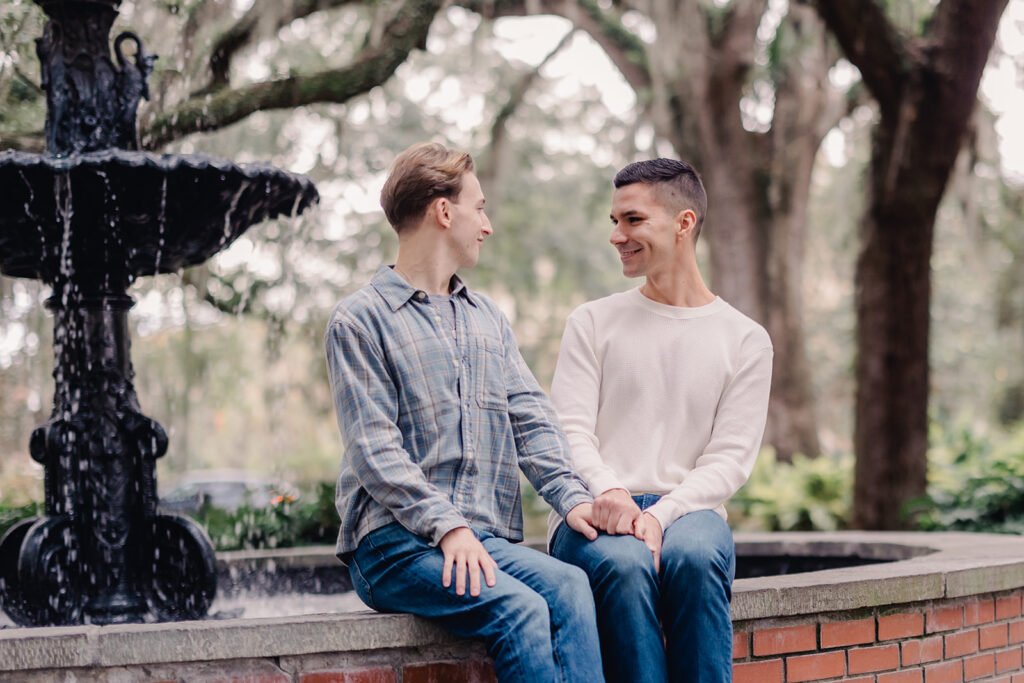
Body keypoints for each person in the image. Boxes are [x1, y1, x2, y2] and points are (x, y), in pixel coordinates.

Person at [325, 141, 605, 683]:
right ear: (444, 210)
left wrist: (572, 498)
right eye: (479, 207)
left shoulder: (486, 319)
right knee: (520, 610)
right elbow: (375, 451)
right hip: (392, 546)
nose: (488, 224)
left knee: (571, 588)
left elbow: (530, 418)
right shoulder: (359, 321)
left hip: (483, 538)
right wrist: (447, 528)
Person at [548, 158, 773, 683]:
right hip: (596, 512)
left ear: (684, 223)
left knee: (693, 559)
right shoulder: (592, 322)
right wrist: (615, 496)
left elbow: (729, 460)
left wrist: (660, 515)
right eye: (614, 221)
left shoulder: (744, 338)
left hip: (691, 512)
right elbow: (570, 432)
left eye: (632, 220)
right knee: (625, 567)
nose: (617, 236)